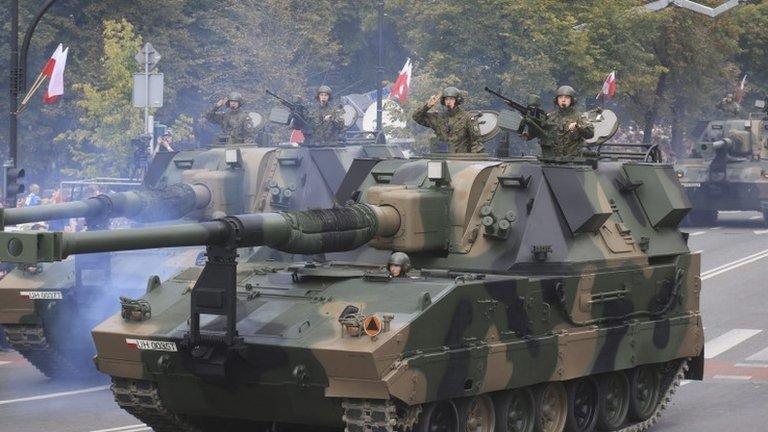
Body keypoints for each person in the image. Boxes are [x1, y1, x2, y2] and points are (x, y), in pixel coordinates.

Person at [412, 87, 484, 154]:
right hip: (442, 159)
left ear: (457, 100)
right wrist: (427, 106)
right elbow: (416, 117)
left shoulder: (467, 118)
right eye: (446, 99)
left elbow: (477, 142)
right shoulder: (438, 118)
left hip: (461, 160)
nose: (448, 102)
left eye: (451, 99)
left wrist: (472, 161)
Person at [542, 85, 594, 158]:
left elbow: (590, 134)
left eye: (567, 97)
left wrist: (578, 127)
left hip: (573, 160)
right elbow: (541, 131)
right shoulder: (550, 117)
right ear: (556, 100)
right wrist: (529, 135)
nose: (563, 100)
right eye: (560, 97)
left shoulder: (579, 117)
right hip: (552, 160)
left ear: (572, 100)